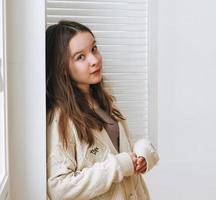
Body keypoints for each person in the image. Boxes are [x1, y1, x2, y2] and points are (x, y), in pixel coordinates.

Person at [46, 20, 159, 200]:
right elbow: (59, 188)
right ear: (63, 68)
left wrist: (142, 155)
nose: (94, 60)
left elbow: (120, 149)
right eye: (80, 57)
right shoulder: (62, 119)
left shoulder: (104, 99)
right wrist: (119, 167)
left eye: (94, 48)